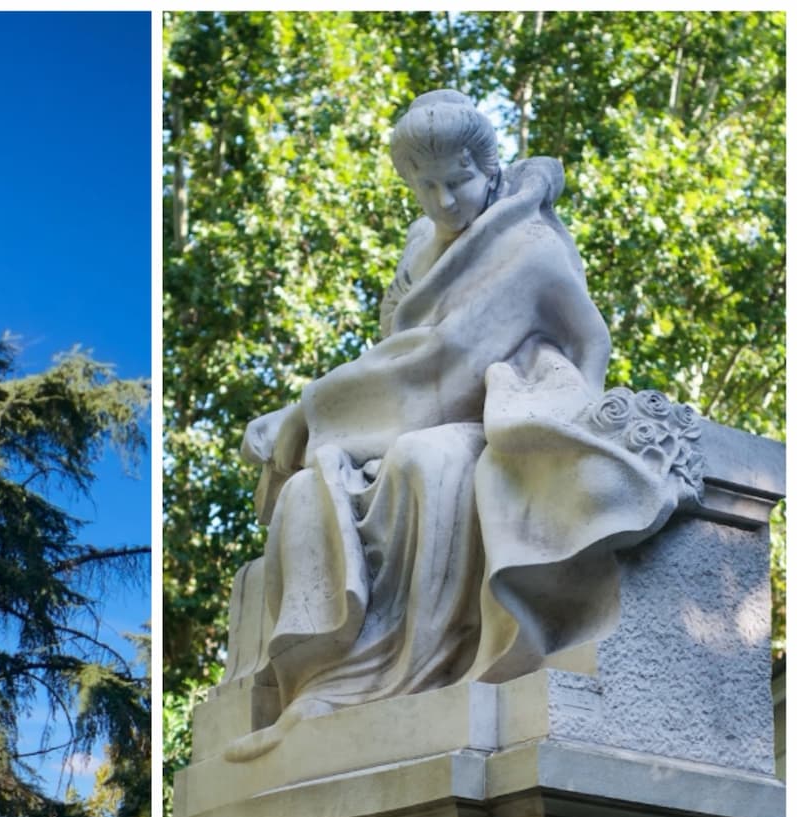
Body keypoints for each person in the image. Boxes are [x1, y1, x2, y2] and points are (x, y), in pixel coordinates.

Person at [228, 90, 700, 760]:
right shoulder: (421, 250)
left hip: (498, 411)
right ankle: (322, 685)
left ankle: (412, 672)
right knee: (313, 485)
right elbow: (399, 356)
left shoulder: (529, 245)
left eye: (458, 183)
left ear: (489, 168)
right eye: (427, 187)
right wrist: (302, 415)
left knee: (431, 465)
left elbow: (586, 339)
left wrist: (571, 421)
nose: (445, 202)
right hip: (414, 408)